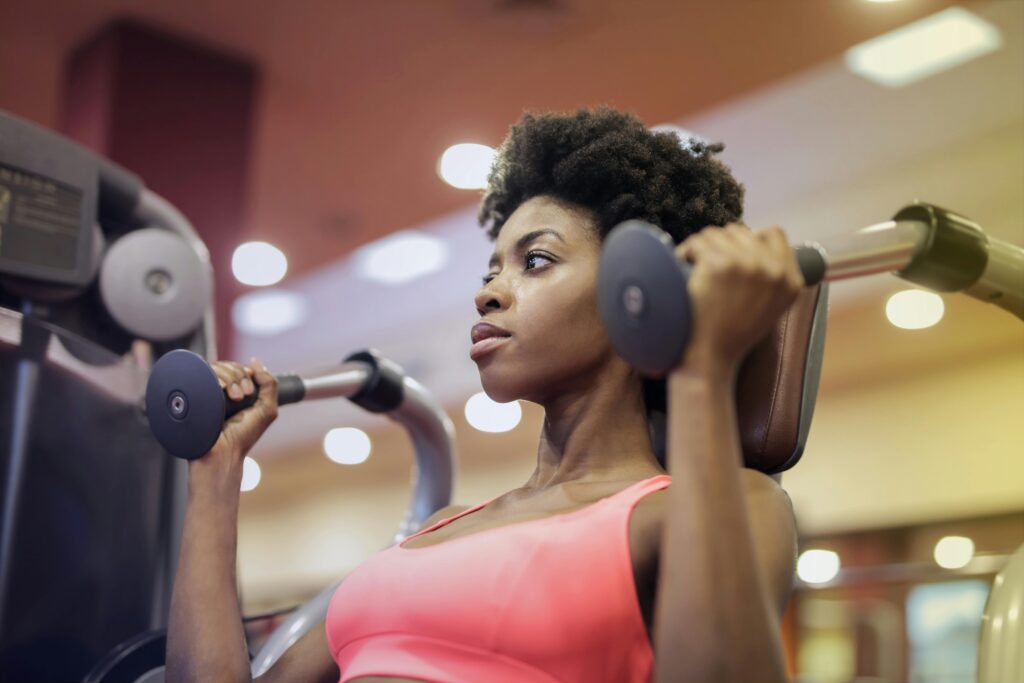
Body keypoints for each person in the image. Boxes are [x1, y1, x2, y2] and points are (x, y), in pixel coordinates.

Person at [166, 107, 803, 683]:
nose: (488, 293)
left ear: (635, 293)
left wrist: (700, 369)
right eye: (492, 269)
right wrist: (215, 474)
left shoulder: (711, 507)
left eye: (536, 261)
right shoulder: (439, 530)